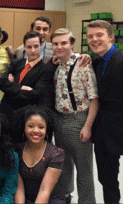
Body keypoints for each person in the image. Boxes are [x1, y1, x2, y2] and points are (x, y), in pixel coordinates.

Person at [52, 28, 98, 203]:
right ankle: (64, 197)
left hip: (78, 119)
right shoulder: (58, 65)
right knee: (63, 165)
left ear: (72, 44)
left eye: (64, 43)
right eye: (56, 43)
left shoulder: (83, 64)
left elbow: (94, 98)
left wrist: (87, 126)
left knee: (84, 168)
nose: (59, 46)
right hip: (59, 119)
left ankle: (87, 201)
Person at [86, 20, 123, 203]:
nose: (94, 39)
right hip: (103, 129)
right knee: (106, 178)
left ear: (110, 36)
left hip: (119, 123)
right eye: (90, 36)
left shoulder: (121, 60)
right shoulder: (93, 59)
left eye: (99, 35)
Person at [0, 31, 54, 141]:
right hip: (5, 112)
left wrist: (11, 87)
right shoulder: (16, 63)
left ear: (41, 46)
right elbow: (2, 83)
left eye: (36, 46)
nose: (33, 50)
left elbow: (35, 94)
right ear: (24, 47)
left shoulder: (46, 69)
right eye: (29, 47)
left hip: (24, 116)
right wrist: (19, 88)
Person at [14, 106, 65, 204]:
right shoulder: (17, 150)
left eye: (41, 127)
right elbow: (19, 189)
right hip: (24, 198)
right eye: (30, 126)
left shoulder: (56, 153)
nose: (36, 131)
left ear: (47, 129)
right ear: (24, 127)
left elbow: (44, 191)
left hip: (51, 199)